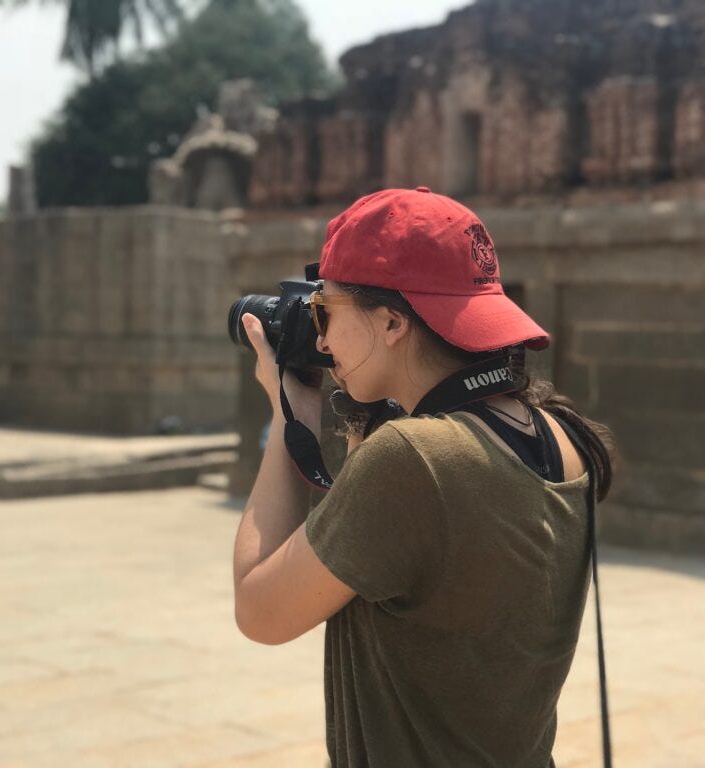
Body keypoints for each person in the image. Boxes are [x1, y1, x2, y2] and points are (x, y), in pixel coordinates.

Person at [232, 188, 615, 767]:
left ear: (390, 321)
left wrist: (291, 414)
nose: (321, 340)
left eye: (324, 311)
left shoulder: (414, 458)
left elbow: (259, 611)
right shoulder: (561, 435)